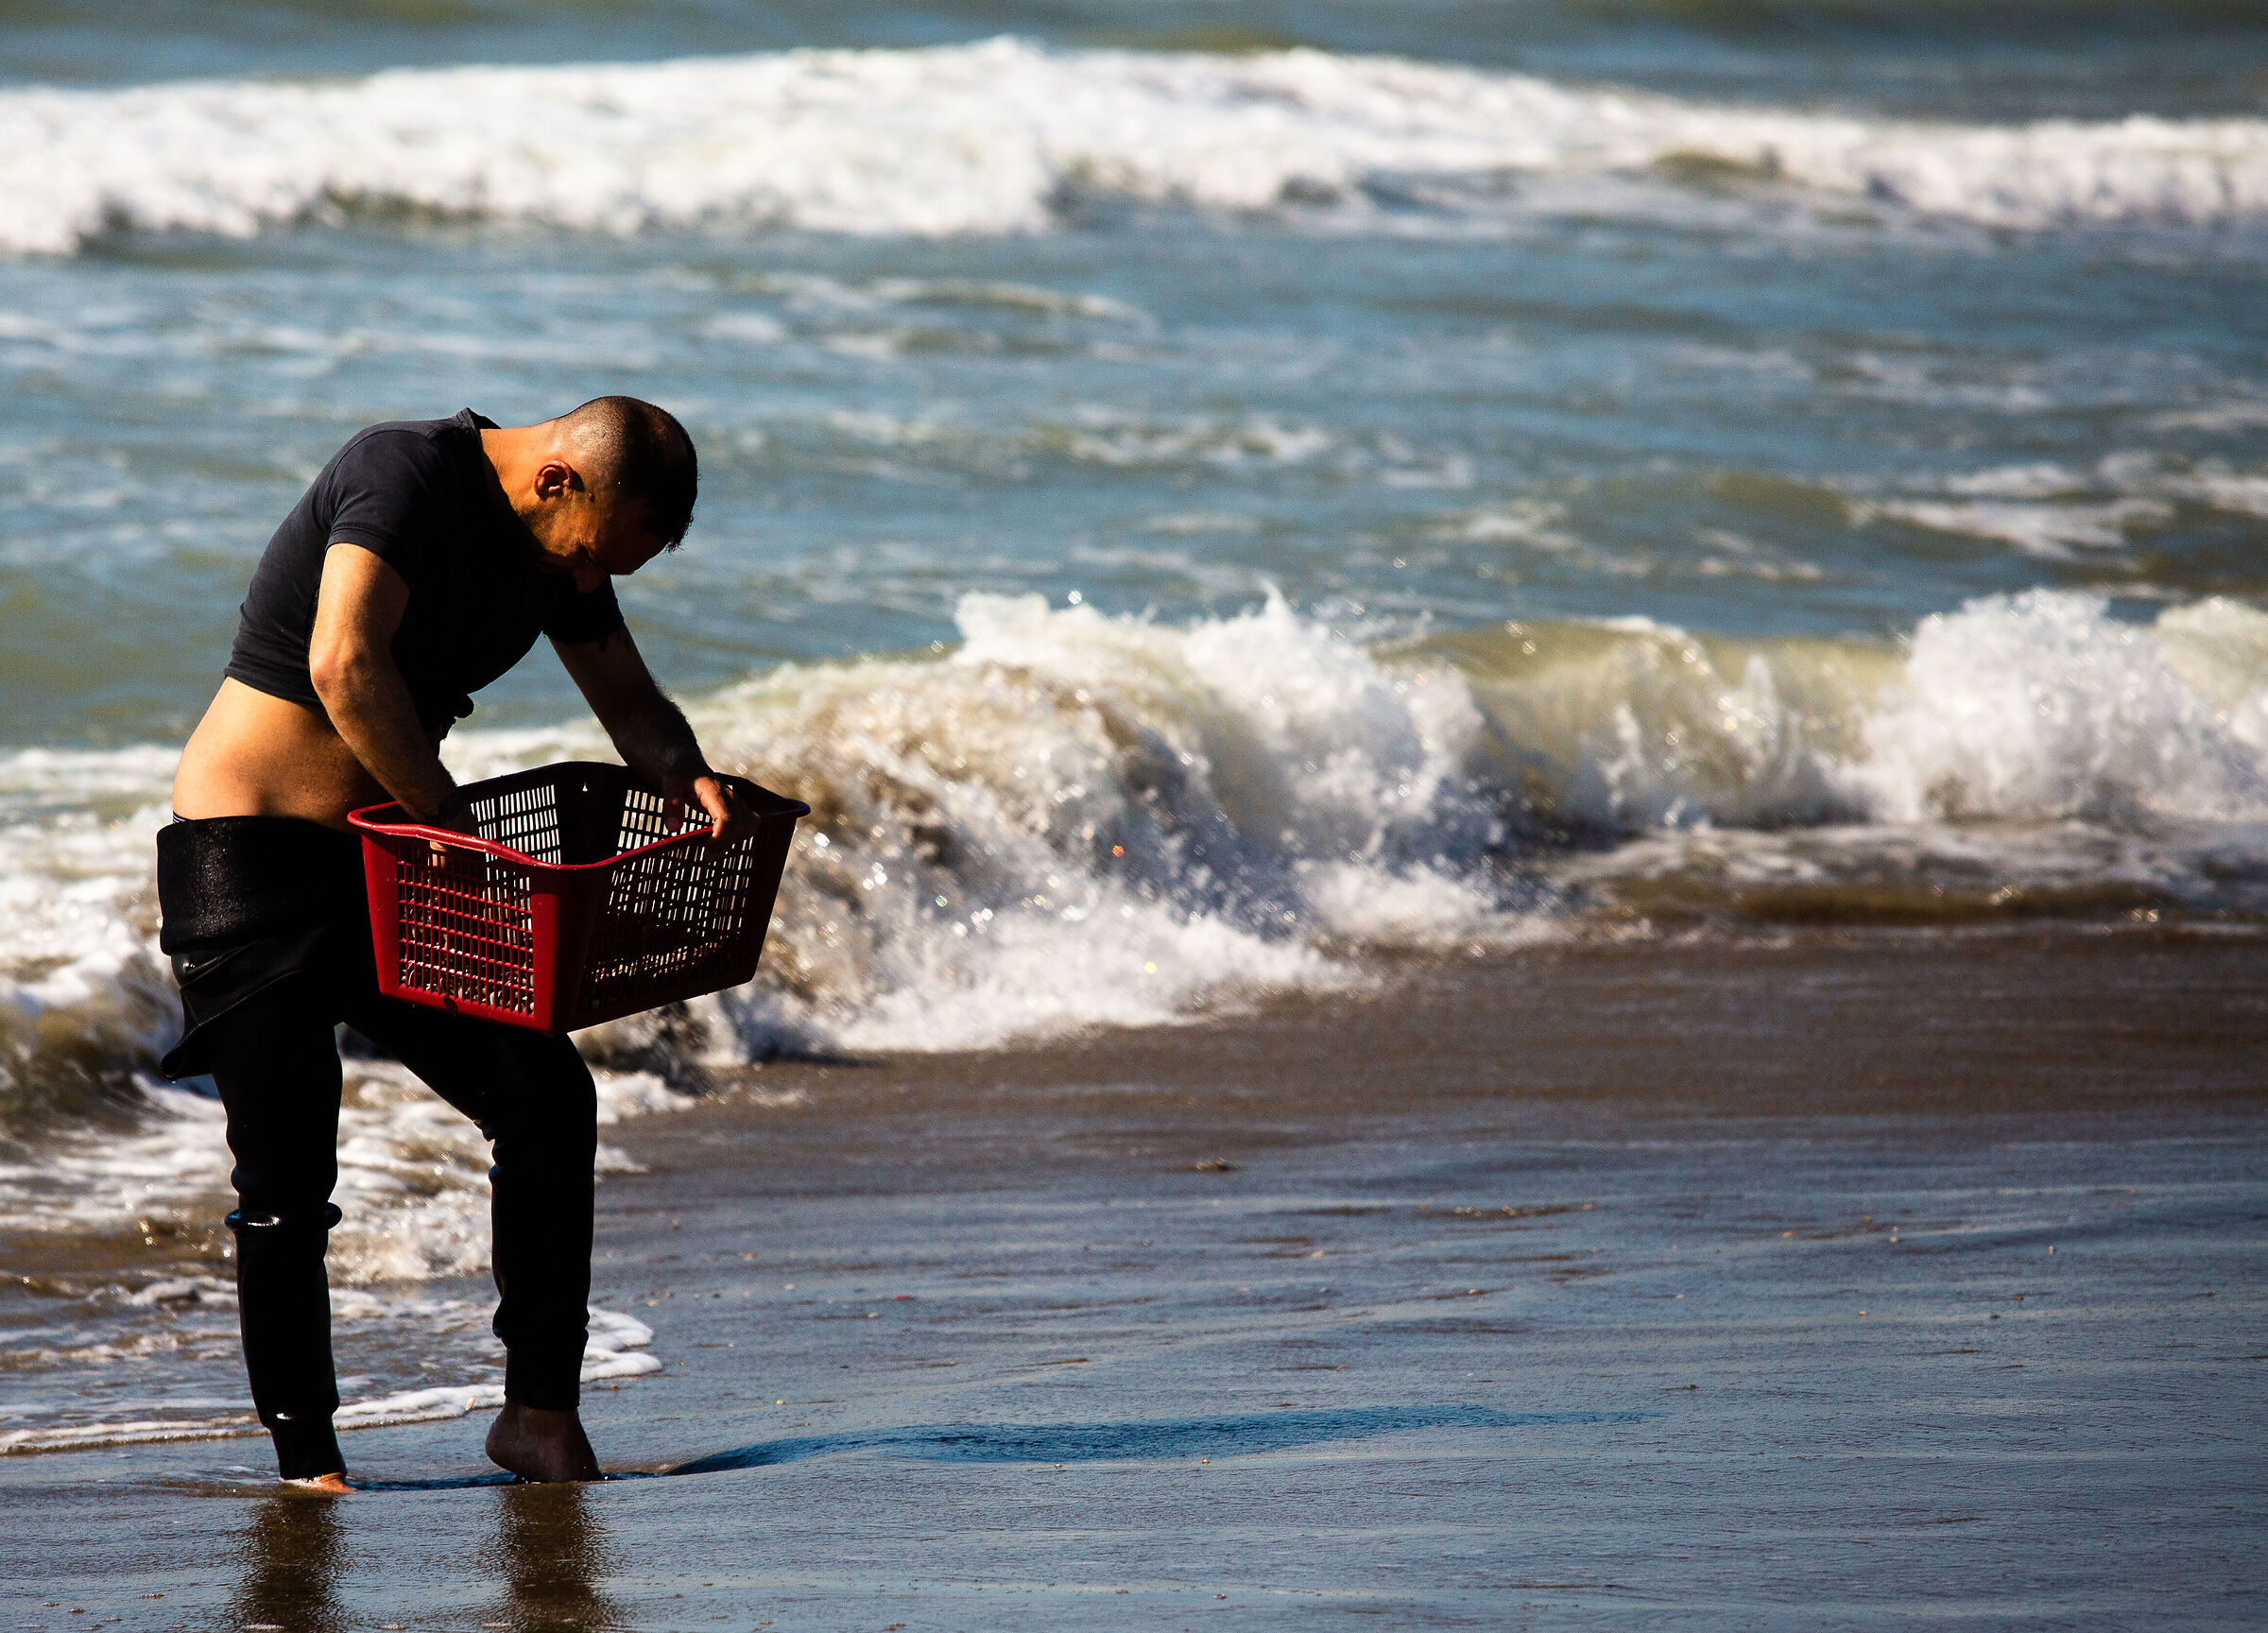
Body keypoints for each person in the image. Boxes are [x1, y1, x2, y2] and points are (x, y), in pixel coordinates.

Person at [161, 398, 752, 1490]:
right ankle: (310, 1465)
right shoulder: (405, 472)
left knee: (545, 1098)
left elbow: (627, 695)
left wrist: (686, 768)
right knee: (288, 1174)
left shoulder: (557, 551)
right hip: (250, 859)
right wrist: (454, 828)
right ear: (559, 479)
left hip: (397, 865)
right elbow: (345, 665)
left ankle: (538, 1418)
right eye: (597, 552)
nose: (592, 579)